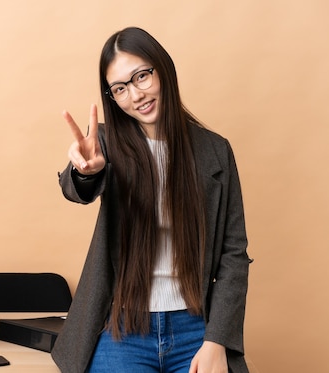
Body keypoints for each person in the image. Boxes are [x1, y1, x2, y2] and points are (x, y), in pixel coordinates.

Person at [51, 27, 251, 373]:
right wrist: (85, 172)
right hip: (122, 327)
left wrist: (217, 340)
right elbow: (77, 188)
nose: (135, 95)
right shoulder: (105, 144)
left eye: (141, 76)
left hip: (195, 328)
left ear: (163, 68)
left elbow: (234, 255)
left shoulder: (215, 151)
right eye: (120, 89)